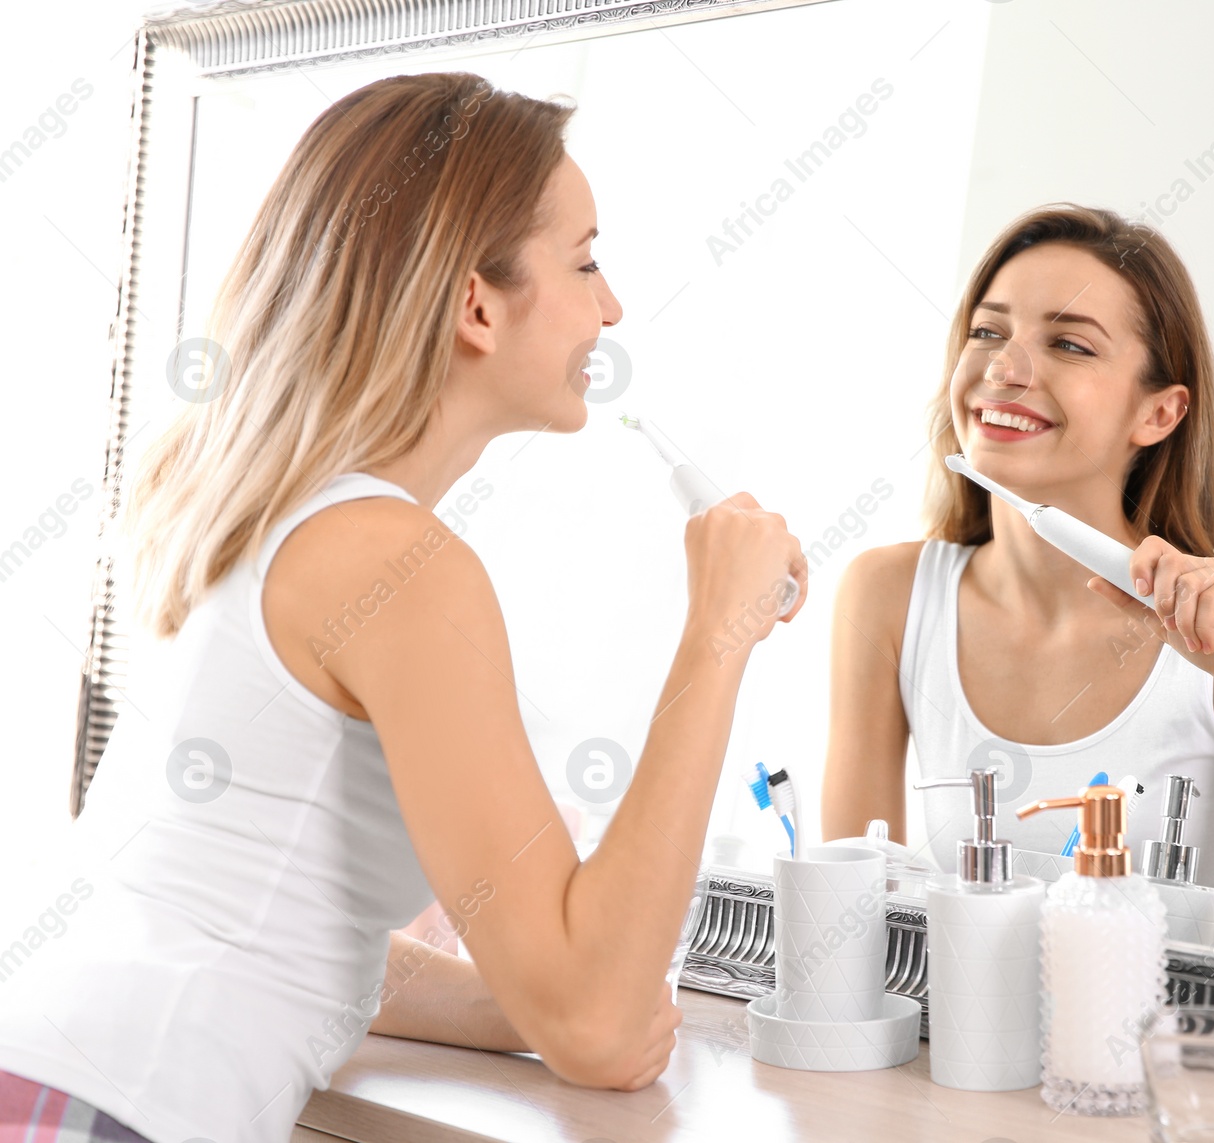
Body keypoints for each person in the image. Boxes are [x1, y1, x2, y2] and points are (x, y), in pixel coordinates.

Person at [0, 72, 806, 1143]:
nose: (610, 307)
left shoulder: (280, 520)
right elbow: (599, 1029)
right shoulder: (398, 564)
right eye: (586, 260)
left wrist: (498, 1003)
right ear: (477, 303)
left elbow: (284, 922)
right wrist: (720, 631)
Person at [820, 205, 1214, 980]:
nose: (1006, 368)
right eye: (988, 331)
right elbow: (846, 925)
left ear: (1159, 411)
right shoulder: (889, 597)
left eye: (1069, 344)